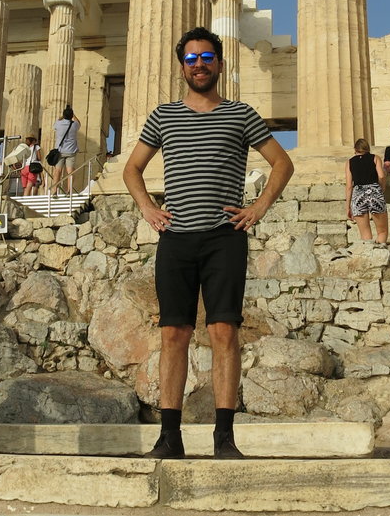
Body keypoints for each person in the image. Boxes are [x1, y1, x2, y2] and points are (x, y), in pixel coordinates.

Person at [123, 27, 294, 459]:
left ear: (219, 63)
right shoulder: (164, 116)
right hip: (176, 238)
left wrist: (257, 208)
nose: (199, 65)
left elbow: (281, 163)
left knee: (224, 332)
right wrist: (147, 207)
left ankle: (224, 438)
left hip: (224, 238)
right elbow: (132, 169)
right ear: (183, 67)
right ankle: (169, 438)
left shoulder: (241, 114)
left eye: (206, 58)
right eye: (191, 59)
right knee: (173, 333)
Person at [345, 138, 388, 245]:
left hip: (358, 195)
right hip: (374, 192)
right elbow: (382, 176)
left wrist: (348, 207)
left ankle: (370, 257)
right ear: (367, 148)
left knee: (365, 235)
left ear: (355, 149)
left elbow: (349, 186)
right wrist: (382, 188)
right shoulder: (375, 158)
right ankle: (379, 255)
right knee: (382, 231)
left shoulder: (349, 162)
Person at [49, 105, 80, 195]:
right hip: (71, 151)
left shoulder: (58, 124)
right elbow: (78, 122)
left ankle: (54, 190)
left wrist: (63, 115)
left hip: (60, 151)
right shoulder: (75, 125)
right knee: (70, 171)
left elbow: (56, 123)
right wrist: (73, 115)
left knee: (57, 171)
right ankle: (69, 189)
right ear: (71, 116)